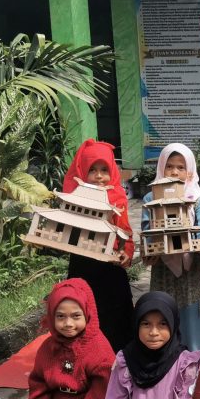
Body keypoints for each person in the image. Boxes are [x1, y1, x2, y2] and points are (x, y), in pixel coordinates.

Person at [142, 143, 200, 355]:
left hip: (192, 265)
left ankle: (197, 350)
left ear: (189, 171)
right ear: (161, 167)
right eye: (169, 166)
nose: (174, 172)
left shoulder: (196, 197)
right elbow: (146, 227)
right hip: (163, 265)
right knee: (164, 304)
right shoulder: (151, 197)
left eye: (181, 167)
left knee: (193, 304)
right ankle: (165, 352)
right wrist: (149, 251)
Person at [63, 139, 134, 352]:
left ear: (112, 171)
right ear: (82, 172)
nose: (99, 176)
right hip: (83, 265)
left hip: (110, 268)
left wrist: (127, 252)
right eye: (92, 170)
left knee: (115, 315)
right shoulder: (75, 198)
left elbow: (126, 232)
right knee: (83, 308)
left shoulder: (117, 198)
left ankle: (117, 357)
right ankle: (84, 355)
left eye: (104, 170)